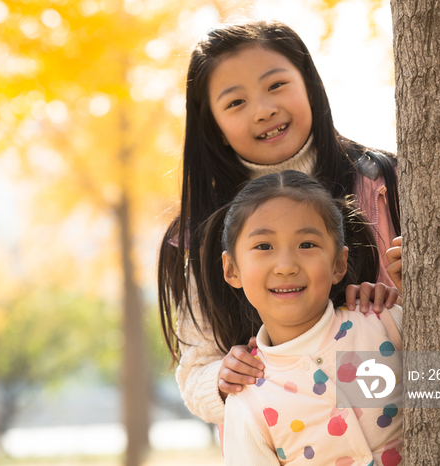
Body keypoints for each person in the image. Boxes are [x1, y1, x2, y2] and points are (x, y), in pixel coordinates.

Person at [157, 20, 402, 426]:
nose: (264, 109)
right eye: (235, 102)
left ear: (309, 84)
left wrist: (413, 294)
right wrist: (223, 379)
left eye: (275, 86)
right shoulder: (203, 236)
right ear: (213, 125)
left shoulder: (384, 184)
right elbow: (194, 370)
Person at [201, 170, 403, 465]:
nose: (285, 266)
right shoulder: (248, 401)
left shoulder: (383, 322)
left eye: (307, 245)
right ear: (232, 269)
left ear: (338, 264)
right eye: (264, 246)